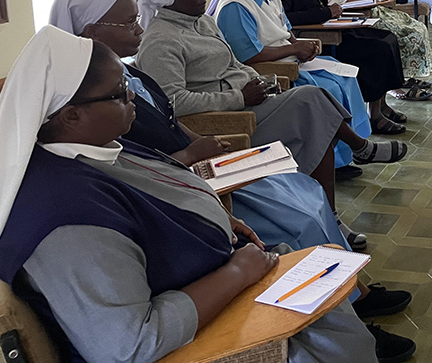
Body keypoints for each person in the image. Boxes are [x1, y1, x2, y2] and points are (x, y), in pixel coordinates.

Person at [46, 0, 418, 352]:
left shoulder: (118, 88)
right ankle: (346, 312)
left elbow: (168, 122)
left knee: (306, 191)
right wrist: (197, 165)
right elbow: (130, 339)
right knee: (298, 216)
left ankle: (352, 293)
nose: (140, 25)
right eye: (129, 22)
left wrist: (199, 151)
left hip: (199, 182)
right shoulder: (74, 185)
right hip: (197, 195)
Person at [0, 26, 383, 363]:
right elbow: (130, 345)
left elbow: (154, 193)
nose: (132, 99)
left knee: (316, 266)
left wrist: (218, 221)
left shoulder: (94, 147)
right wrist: (237, 272)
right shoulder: (66, 222)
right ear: (70, 115)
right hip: (201, 333)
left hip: (215, 271)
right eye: (119, 94)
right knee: (336, 343)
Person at [135, 0, 407, 208]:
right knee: (314, 107)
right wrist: (238, 97)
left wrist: (261, 81)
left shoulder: (203, 22)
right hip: (227, 121)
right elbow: (172, 102)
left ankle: (331, 206)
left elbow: (234, 62)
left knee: (315, 103)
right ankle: (357, 155)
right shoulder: (161, 41)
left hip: (251, 100)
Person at [213, 0, 408, 146]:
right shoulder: (235, 6)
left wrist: (301, 46)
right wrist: (294, 49)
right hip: (275, 71)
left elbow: (286, 30)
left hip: (294, 60)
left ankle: (352, 148)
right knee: (330, 88)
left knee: (346, 78)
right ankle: (336, 154)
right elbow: (248, 56)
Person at [273, 0, 419, 132]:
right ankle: (373, 116)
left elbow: (323, 4)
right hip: (320, 38)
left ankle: (382, 106)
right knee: (378, 50)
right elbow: (289, 17)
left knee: (389, 38)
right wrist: (327, 12)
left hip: (334, 26)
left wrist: (331, 12)